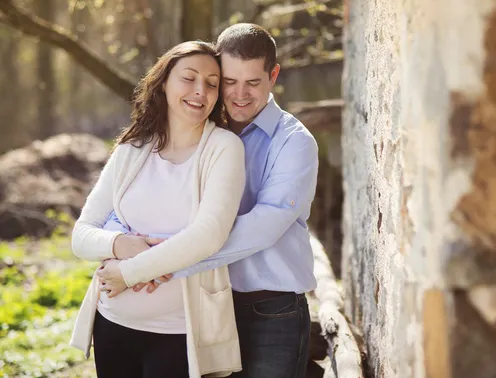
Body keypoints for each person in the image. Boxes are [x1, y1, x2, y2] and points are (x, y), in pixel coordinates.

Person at [105, 23, 320, 378]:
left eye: (253, 82)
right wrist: (123, 244)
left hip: (269, 309)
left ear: (274, 75)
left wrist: (158, 265)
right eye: (230, 82)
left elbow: (262, 227)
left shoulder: (294, 142)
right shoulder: (197, 134)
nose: (240, 95)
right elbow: (143, 196)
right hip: (202, 304)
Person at [69, 41, 246, 378]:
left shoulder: (224, 148)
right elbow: (82, 234)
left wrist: (129, 271)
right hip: (113, 324)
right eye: (189, 78)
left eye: (211, 83)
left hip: (180, 333)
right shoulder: (131, 149)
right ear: (164, 82)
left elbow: (208, 236)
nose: (200, 91)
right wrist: (121, 244)